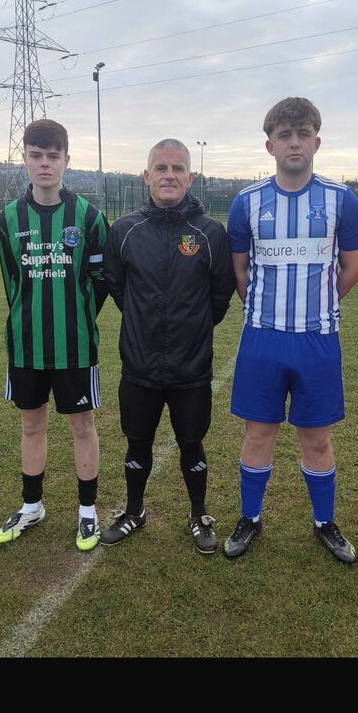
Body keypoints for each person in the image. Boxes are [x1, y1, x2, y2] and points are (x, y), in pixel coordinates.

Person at [224, 97, 358, 564]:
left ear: (317, 141)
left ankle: (325, 522)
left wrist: (319, 306)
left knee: (317, 437)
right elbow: (240, 272)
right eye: (285, 135)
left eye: (303, 134)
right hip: (262, 339)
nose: (295, 142)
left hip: (316, 341)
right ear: (270, 145)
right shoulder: (246, 201)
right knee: (258, 433)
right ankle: (250, 517)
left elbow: (352, 265)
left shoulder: (341, 199)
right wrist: (267, 310)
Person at [101, 139, 235, 553]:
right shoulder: (124, 231)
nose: (169, 175)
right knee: (136, 443)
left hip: (190, 368)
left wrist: (190, 332)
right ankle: (135, 512)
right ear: (146, 176)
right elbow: (118, 290)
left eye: (178, 168)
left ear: (190, 177)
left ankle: (198, 515)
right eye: (161, 168)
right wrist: (145, 328)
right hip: (139, 366)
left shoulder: (210, 233)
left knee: (192, 443)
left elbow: (219, 297)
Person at [0, 119, 109, 551]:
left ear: (66, 160)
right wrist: (31, 318)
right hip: (26, 344)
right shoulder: (8, 219)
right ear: (24, 157)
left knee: (82, 426)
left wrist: (77, 317)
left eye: (53, 156)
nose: (45, 164)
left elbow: (99, 279)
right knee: (31, 425)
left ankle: (86, 512)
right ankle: (32, 506)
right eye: (36, 156)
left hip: (75, 345)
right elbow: (11, 283)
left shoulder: (89, 216)